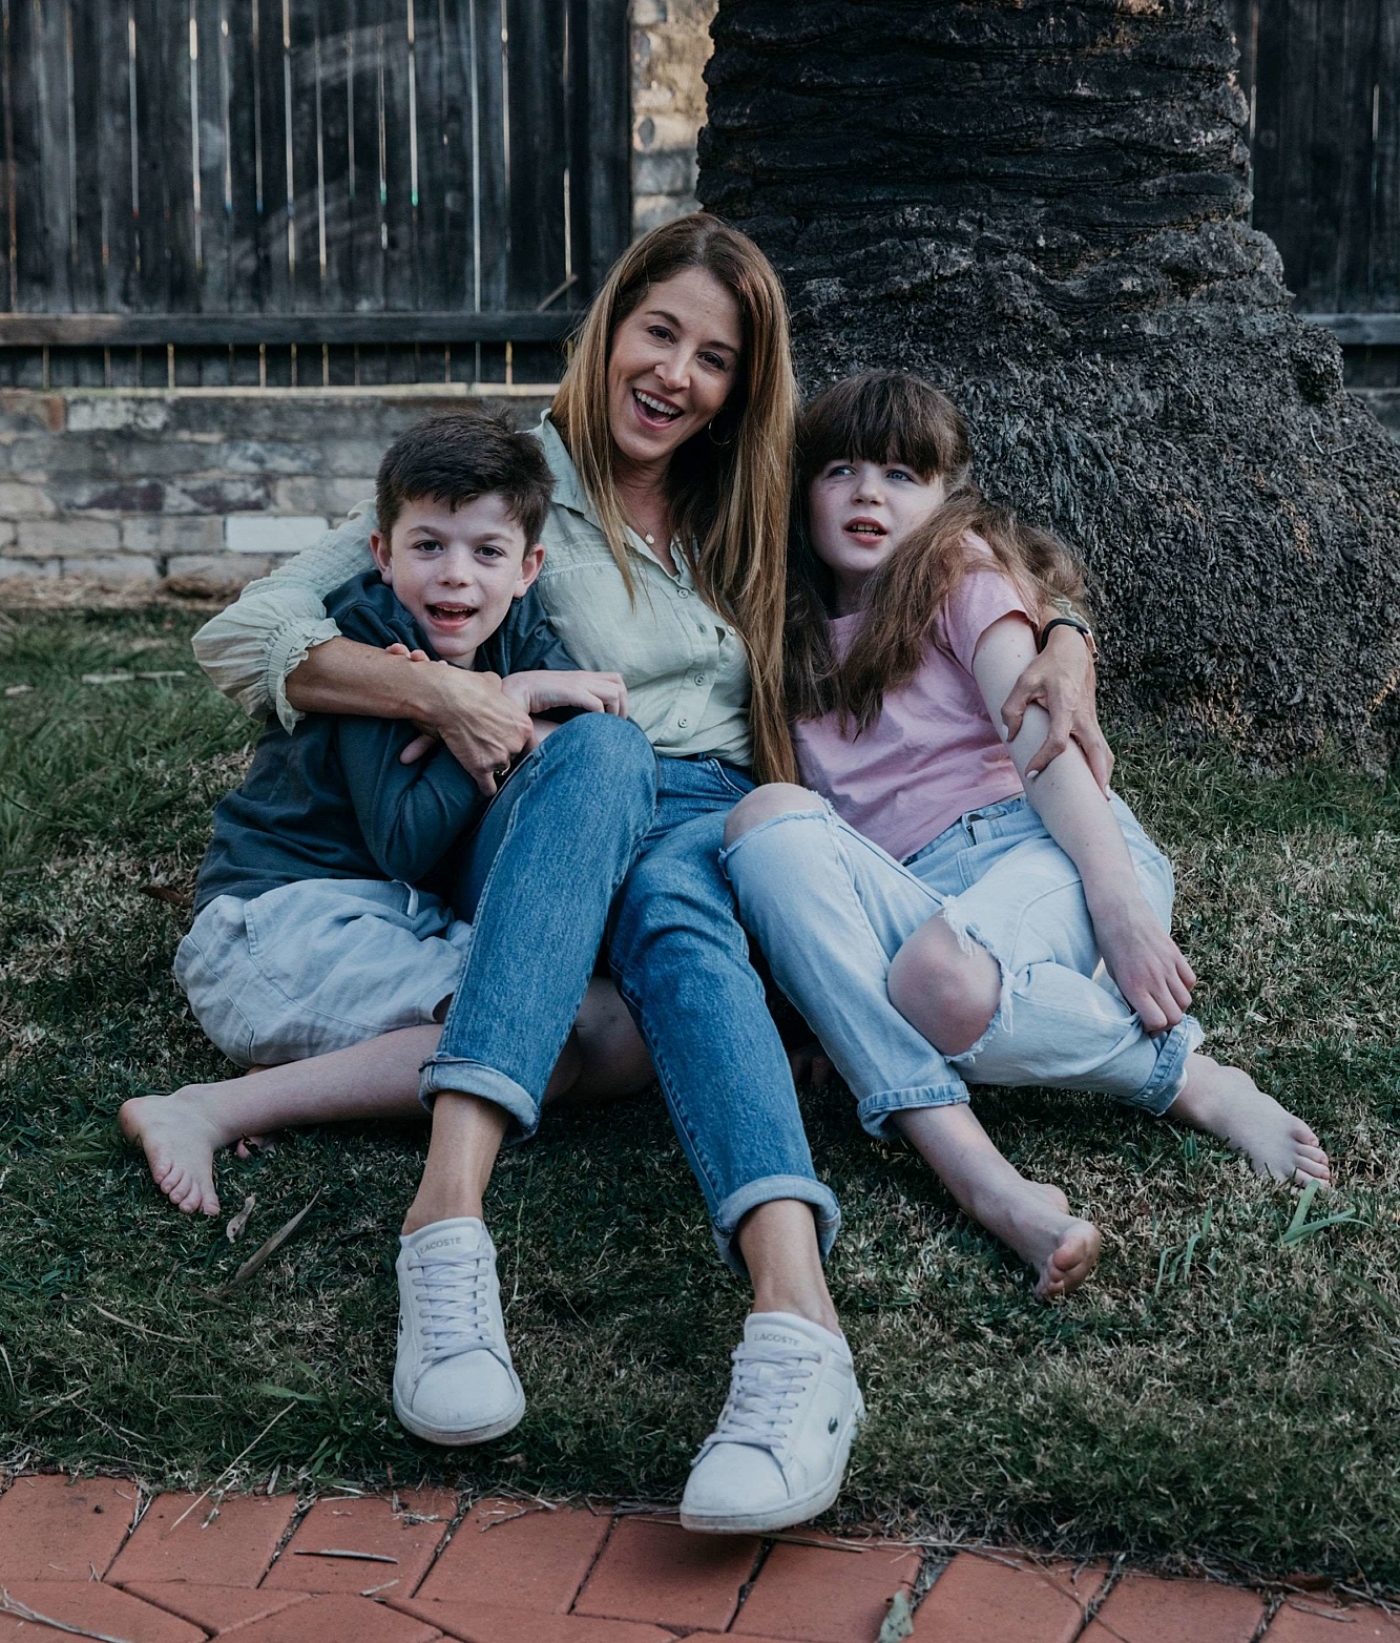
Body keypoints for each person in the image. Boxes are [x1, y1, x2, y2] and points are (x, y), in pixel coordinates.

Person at [183, 216, 1105, 1529]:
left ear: (744, 380)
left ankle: (798, 1336)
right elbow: (248, 631)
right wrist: (451, 691)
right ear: (612, 324)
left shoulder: (756, 495)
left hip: (714, 816)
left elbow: (955, 534)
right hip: (550, 802)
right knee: (607, 752)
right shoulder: (516, 476)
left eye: (714, 355)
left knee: (686, 895)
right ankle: (446, 1234)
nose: (675, 373)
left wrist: (1060, 630)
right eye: (658, 331)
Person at [721, 371, 1330, 1299]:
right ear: (800, 491)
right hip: (914, 895)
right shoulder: (785, 633)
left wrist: (1118, 903)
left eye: (899, 474)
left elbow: (1044, 742)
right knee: (763, 818)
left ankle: (1188, 1079)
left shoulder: (957, 574)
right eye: (839, 469)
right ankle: (1043, 1052)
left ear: (943, 496)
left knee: (934, 978)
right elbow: (810, 872)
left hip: (1035, 846)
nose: (867, 495)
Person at [121, 408, 654, 1232]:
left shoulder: (518, 631)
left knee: (620, 1032)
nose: (455, 578)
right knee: (526, 1052)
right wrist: (500, 705)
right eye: (428, 545)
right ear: (382, 552)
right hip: (281, 921)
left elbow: (579, 731)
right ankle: (212, 1107)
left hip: (402, 923)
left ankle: (343, 1058)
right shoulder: (375, 633)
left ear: (528, 566)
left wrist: (519, 703)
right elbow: (405, 839)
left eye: (487, 552)